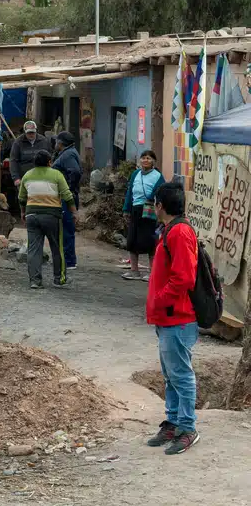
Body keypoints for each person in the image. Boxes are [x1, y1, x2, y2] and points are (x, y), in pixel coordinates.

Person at [145, 182, 200, 455]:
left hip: (177, 317)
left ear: (160, 206)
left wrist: (160, 299)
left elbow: (184, 278)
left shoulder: (179, 233)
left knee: (180, 375)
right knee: (171, 375)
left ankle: (187, 428)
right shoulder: (171, 230)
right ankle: (174, 422)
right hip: (168, 317)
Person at [18, 149, 76, 289]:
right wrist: (74, 212)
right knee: (57, 248)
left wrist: (23, 213)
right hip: (52, 216)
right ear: (49, 162)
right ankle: (59, 278)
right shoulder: (56, 174)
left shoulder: (27, 175)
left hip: (31, 216)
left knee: (33, 249)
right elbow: (67, 195)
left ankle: (35, 281)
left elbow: (21, 198)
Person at [122, 150, 164, 280]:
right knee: (132, 240)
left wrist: (151, 199)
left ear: (153, 162)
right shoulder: (135, 174)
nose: (146, 160)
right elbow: (130, 193)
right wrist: (126, 209)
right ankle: (134, 271)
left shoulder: (158, 176)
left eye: (149, 158)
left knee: (150, 241)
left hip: (149, 210)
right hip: (135, 209)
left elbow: (161, 191)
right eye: (143, 158)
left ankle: (153, 273)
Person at [53, 131, 83, 270]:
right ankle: (65, 258)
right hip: (64, 196)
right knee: (63, 228)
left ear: (60, 143)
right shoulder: (66, 153)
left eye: (56, 141)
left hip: (67, 197)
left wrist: (69, 189)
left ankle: (69, 261)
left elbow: (75, 171)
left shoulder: (68, 155)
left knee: (67, 228)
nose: (55, 144)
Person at [10, 120, 53, 188]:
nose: (31, 134)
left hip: (42, 178)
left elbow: (51, 158)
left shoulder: (44, 141)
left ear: (36, 131)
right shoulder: (18, 143)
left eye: (33, 132)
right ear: (24, 132)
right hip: (24, 178)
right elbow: (13, 161)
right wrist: (16, 178)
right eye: (29, 133)